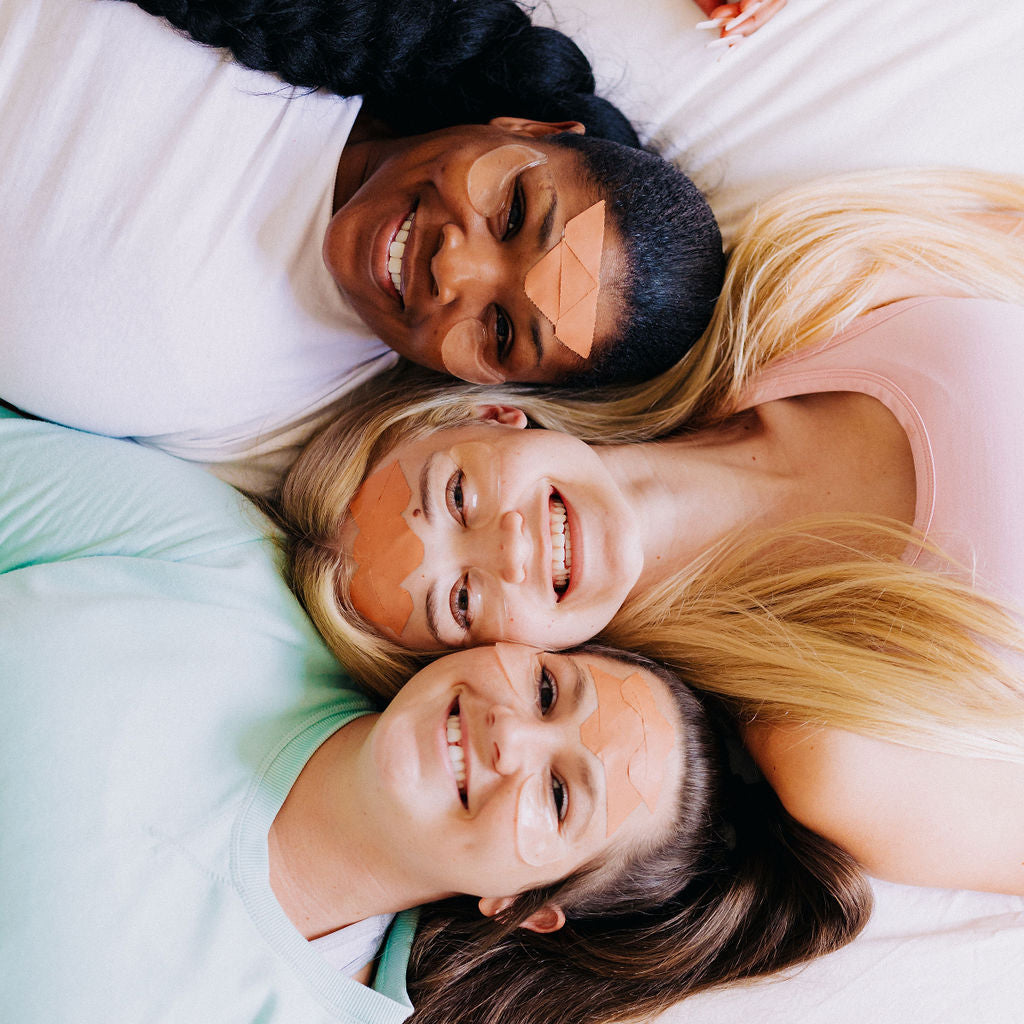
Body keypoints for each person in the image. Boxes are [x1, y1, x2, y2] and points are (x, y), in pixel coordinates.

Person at [273, 168, 1024, 896]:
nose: (508, 547)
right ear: (498, 656)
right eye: (461, 602)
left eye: (459, 495)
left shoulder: (811, 274)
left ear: (491, 415)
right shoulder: (839, 757)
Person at [0, 408, 867, 1024]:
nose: (510, 735)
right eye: (548, 693)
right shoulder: (214, 564)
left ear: (521, 905)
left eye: (560, 796)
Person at [0, 0, 722, 493]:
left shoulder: (286, 428)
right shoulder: (325, 26)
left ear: (493, 387)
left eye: (500, 330)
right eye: (512, 213)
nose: (452, 268)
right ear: (533, 130)